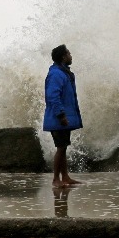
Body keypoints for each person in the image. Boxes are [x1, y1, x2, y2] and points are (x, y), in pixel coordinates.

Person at [43, 44, 83, 188]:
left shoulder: (63, 72)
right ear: (63, 57)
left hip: (60, 118)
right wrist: (61, 115)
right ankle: (55, 179)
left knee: (63, 147)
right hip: (57, 119)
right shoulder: (56, 74)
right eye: (69, 53)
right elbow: (53, 96)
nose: (71, 55)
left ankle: (65, 177)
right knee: (60, 148)